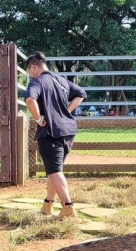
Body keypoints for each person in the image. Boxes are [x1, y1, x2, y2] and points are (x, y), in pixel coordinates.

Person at [25, 51, 86, 219]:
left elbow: (30, 101)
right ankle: (47, 206)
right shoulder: (61, 80)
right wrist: (67, 111)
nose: (30, 75)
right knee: (54, 170)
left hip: (51, 132)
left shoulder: (37, 82)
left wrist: (38, 119)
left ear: (32, 67)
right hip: (68, 131)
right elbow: (81, 93)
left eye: (29, 71)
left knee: (55, 171)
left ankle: (68, 208)